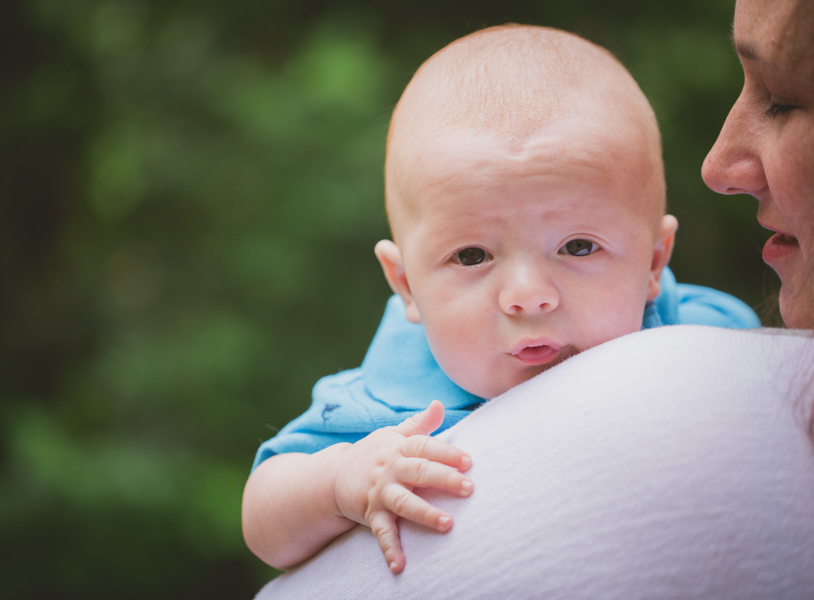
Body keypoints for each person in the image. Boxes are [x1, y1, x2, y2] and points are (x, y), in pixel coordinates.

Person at [252, 0, 814, 597]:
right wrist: (342, 481)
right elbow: (265, 523)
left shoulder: (704, 333)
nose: (527, 296)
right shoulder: (381, 405)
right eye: (471, 256)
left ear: (653, 261)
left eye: (577, 246)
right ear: (406, 285)